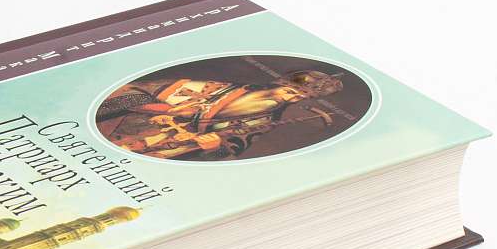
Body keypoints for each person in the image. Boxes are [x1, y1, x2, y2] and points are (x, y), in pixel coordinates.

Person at [96, 70, 343, 160]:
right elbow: (129, 92)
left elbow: (229, 152)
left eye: (299, 98)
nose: (290, 99)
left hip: (155, 154)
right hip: (115, 131)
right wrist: (163, 109)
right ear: (277, 84)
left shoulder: (265, 121)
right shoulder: (212, 89)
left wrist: (213, 147)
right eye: (289, 92)